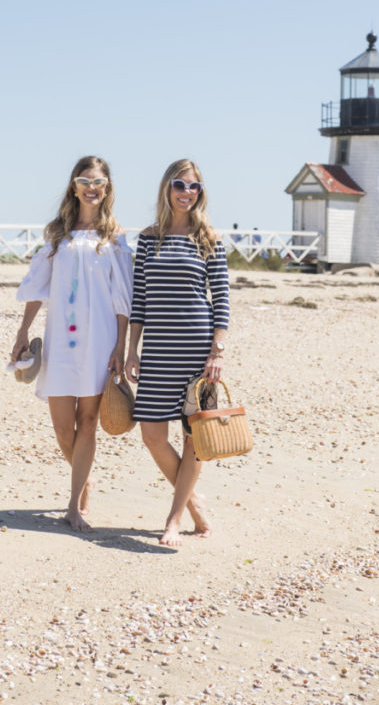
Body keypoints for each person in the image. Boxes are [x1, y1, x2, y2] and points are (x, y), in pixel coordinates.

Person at [10, 156, 133, 532]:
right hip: (62, 339)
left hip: (100, 340)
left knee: (89, 420)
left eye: (98, 182)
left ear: (107, 188)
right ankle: (85, 478)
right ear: (74, 186)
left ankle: (73, 503)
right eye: (84, 181)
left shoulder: (115, 236)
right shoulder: (57, 233)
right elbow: (36, 286)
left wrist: (121, 349)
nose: (91, 188)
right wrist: (21, 331)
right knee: (64, 428)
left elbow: (122, 298)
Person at [125, 159, 230, 546]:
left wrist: (217, 352)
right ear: (166, 189)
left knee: (193, 439)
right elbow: (140, 301)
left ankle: (174, 519)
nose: (186, 193)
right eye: (179, 185)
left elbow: (221, 300)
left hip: (196, 351)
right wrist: (130, 351)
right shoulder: (149, 238)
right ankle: (196, 507)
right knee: (152, 435)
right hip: (156, 352)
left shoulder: (209, 239)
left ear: (201, 193)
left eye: (194, 187)